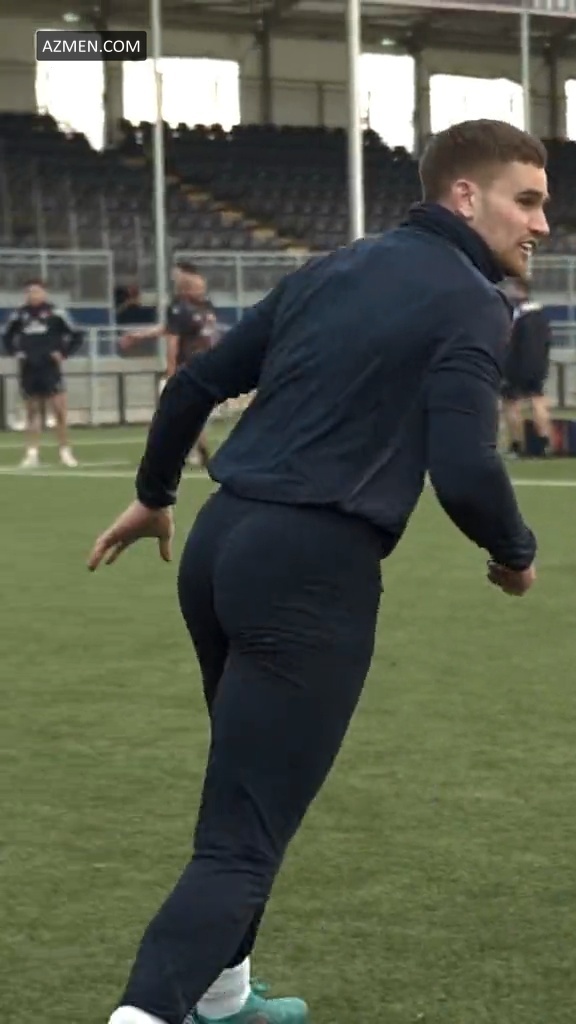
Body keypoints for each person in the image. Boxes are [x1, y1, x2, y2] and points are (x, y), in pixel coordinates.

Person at [87, 119, 546, 1024]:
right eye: (526, 201)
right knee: (241, 836)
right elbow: (464, 467)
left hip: (220, 543)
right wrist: (515, 552)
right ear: (466, 196)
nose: (540, 224)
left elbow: (194, 385)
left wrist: (153, 494)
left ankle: (223, 998)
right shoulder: (472, 300)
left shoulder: (331, 268)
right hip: (309, 567)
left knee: (246, 794)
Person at [120, 261, 217, 468]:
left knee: (180, 413)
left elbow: (173, 338)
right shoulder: (191, 307)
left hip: (195, 366)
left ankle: (185, 451)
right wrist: (139, 336)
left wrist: (171, 371)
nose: (201, 289)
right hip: (199, 365)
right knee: (188, 413)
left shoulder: (192, 306)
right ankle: (195, 450)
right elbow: (171, 332)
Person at [2, 279, 83, 468]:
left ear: (44, 293)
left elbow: (77, 334)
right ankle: (32, 453)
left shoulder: (56, 313)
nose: (34, 295)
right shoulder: (19, 314)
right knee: (32, 411)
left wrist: (63, 353)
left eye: (37, 291)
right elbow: (6, 336)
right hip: (29, 367)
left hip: (50, 367)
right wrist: (16, 352)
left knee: (59, 410)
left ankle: (65, 451)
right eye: (30, 292)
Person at [501, 279, 552, 457]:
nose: (507, 292)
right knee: (537, 400)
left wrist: (509, 367)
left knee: (511, 403)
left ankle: (517, 445)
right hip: (539, 365)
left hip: (518, 365)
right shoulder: (541, 316)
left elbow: (515, 345)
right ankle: (544, 443)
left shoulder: (521, 316)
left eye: (510, 288)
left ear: (519, 290)